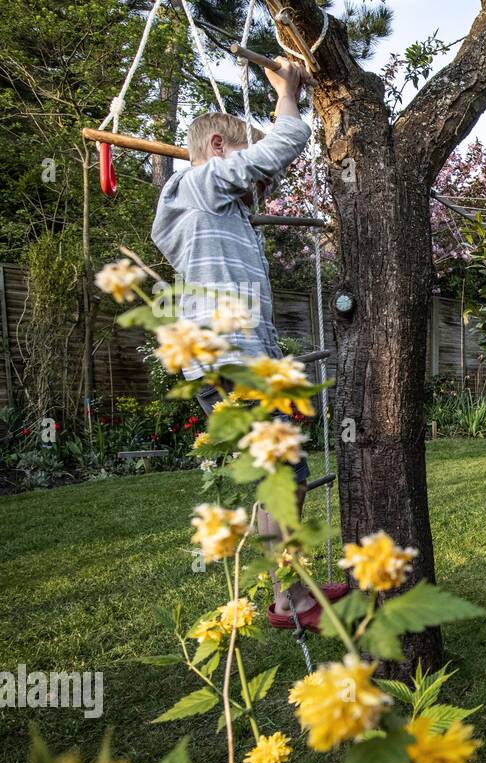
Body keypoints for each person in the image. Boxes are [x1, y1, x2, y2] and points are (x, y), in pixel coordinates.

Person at [151, 56, 344, 631]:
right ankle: (289, 600)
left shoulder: (212, 207)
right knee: (287, 478)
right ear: (216, 146)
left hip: (236, 362)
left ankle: (292, 591)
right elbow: (279, 148)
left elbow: (265, 170)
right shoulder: (198, 185)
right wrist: (288, 94)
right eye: (242, 167)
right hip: (229, 361)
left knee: (283, 478)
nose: (257, 190)